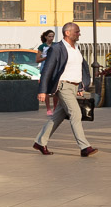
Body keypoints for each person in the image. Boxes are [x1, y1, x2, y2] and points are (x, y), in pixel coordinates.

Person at [33, 22, 96, 157]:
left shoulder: (76, 48)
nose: (79, 34)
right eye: (77, 31)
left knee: (57, 116)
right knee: (76, 114)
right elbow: (47, 70)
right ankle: (84, 147)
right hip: (63, 86)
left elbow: (81, 68)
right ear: (67, 33)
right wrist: (42, 90)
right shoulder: (57, 48)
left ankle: (40, 142)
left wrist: (81, 85)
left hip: (74, 86)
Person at [37, 30, 56, 116]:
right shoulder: (42, 46)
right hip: (45, 67)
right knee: (47, 90)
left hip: (54, 68)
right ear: (46, 37)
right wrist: (46, 58)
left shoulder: (56, 45)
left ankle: (55, 108)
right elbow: (37, 60)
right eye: (49, 36)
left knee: (55, 90)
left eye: (52, 36)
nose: (51, 38)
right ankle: (48, 108)